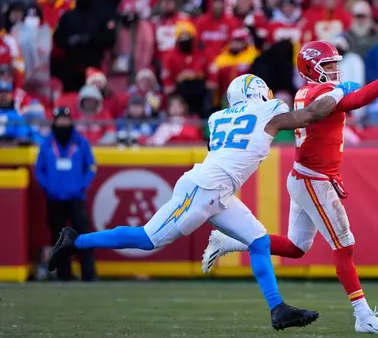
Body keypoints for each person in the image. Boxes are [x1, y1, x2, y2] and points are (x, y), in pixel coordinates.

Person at [49, 74, 360, 330]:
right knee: (148, 238)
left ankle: (278, 309)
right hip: (203, 189)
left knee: (259, 240)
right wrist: (337, 92)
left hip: (219, 191)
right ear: (257, 91)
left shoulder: (217, 117)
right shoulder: (268, 110)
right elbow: (313, 115)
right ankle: (75, 241)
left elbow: (230, 140)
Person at [203, 42, 378, 334]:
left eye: (334, 64)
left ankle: (228, 241)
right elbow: (357, 100)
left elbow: (345, 96)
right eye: (328, 65)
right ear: (311, 68)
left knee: (296, 248)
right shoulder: (321, 93)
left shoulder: (305, 91)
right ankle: (363, 315)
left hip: (304, 175)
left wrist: (343, 87)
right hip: (314, 179)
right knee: (344, 245)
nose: (334, 69)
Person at [36, 106, 97, 281]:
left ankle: (89, 274)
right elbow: (40, 169)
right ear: (54, 122)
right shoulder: (47, 143)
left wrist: (82, 186)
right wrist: (47, 187)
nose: (62, 123)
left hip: (76, 197)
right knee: (58, 237)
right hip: (55, 198)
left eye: (65, 120)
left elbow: (91, 166)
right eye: (59, 120)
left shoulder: (80, 142)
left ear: (71, 121)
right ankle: (64, 275)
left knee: (83, 235)